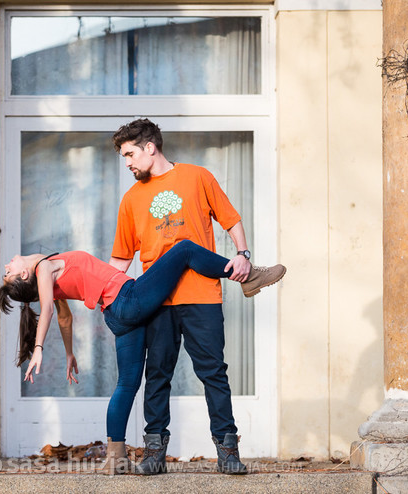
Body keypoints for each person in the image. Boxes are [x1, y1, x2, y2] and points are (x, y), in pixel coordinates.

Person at [0, 240, 283, 475]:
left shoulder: (49, 272)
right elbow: (46, 309)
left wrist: (70, 354)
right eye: (8, 273)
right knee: (183, 250)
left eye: (5, 271)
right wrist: (39, 348)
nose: (7, 266)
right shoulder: (44, 267)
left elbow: (65, 318)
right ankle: (246, 275)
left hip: (117, 316)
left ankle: (116, 458)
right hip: (127, 298)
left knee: (127, 384)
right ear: (25, 275)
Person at [109, 118, 285, 475]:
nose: (127, 162)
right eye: (123, 156)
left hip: (202, 295)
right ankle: (154, 454)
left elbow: (230, 219)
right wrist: (109, 300)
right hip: (156, 303)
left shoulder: (197, 176)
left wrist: (243, 255)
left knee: (213, 374)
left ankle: (228, 452)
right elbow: (120, 260)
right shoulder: (130, 199)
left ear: (150, 147)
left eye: (129, 154)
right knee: (157, 377)